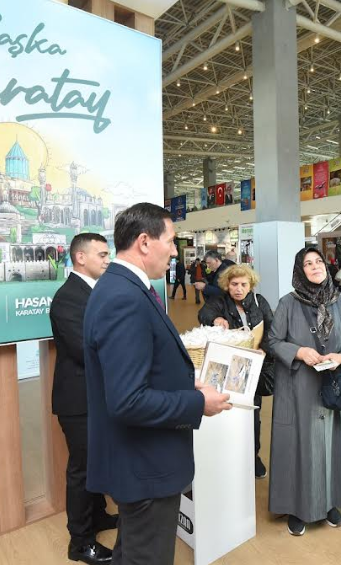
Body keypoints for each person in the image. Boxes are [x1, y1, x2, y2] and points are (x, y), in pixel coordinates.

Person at [83, 203, 232, 565]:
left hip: (139, 461)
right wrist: (198, 404)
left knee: (132, 551)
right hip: (144, 464)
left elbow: (140, 373)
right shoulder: (123, 298)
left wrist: (185, 386)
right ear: (145, 242)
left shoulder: (123, 288)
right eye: (171, 241)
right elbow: (128, 400)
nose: (175, 250)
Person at [268, 247, 341, 537]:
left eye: (318, 262)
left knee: (333, 444)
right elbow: (273, 341)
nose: (315, 267)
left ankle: (330, 502)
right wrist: (298, 351)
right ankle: (297, 508)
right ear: (300, 271)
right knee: (300, 446)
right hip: (299, 387)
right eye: (307, 263)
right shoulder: (287, 303)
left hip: (335, 386)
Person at [50, 233, 114, 565]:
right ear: (80, 257)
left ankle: (99, 515)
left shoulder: (94, 291)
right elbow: (84, 349)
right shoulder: (67, 299)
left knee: (97, 461)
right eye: (102, 254)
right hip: (78, 399)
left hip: (97, 396)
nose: (107, 260)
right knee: (82, 468)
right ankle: (80, 540)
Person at [198, 264, 274, 479]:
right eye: (234, 284)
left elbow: (272, 329)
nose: (239, 289)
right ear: (227, 285)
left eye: (243, 284)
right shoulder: (219, 302)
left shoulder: (260, 302)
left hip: (255, 367)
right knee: (228, 410)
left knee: (253, 413)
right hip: (228, 368)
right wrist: (216, 319)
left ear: (250, 285)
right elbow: (204, 313)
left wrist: (264, 350)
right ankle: (228, 456)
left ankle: (253, 456)